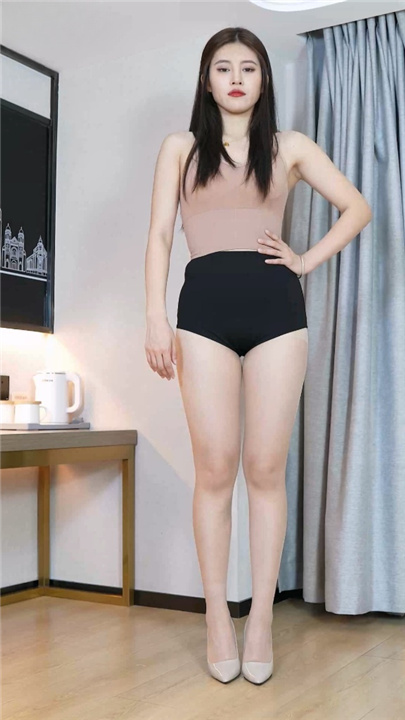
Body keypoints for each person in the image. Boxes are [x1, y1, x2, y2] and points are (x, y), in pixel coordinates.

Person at [144, 27, 372, 685]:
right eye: (223, 67)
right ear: (206, 79)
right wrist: (154, 315)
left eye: (248, 67)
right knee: (215, 469)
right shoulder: (180, 147)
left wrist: (305, 259)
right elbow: (160, 235)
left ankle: (263, 620)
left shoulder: (289, 146)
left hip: (277, 313)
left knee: (265, 468)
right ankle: (219, 616)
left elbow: (356, 207)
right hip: (202, 314)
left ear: (263, 79)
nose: (236, 78)